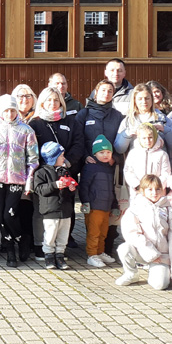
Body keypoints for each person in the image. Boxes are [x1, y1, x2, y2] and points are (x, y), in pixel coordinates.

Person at [0, 94, 40, 268]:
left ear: (16, 111)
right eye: (6, 110)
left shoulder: (26, 131)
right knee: (1, 216)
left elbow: (33, 158)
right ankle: (10, 251)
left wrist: (29, 180)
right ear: (0, 111)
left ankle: (22, 239)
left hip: (17, 178)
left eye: (12, 110)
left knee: (10, 213)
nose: (9, 113)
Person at [29, 87, 84, 254]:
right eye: (49, 100)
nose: (53, 103)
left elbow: (78, 144)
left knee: (66, 210)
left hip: (66, 171)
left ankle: (61, 247)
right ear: (42, 102)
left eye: (56, 100)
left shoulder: (70, 122)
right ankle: (41, 245)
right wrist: (45, 166)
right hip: (43, 174)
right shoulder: (35, 123)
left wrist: (67, 162)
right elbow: (31, 149)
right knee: (42, 211)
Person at [115, 174, 172, 290]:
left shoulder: (168, 210)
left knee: (160, 285)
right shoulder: (134, 210)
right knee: (124, 248)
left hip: (161, 256)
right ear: (142, 191)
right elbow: (132, 234)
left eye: (157, 189)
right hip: (142, 252)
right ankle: (131, 273)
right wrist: (151, 254)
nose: (154, 192)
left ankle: (158, 271)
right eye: (150, 189)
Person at [33, 142, 77, 270]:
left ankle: (60, 255)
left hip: (65, 210)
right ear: (53, 157)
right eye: (61, 156)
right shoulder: (41, 172)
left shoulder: (65, 171)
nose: (64, 158)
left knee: (63, 235)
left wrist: (72, 188)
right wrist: (55, 185)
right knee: (50, 234)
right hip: (50, 210)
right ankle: (48, 255)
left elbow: (72, 189)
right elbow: (39, 189)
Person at [78, 135, 119, 268]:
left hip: (106, 206)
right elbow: (84, 185)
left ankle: (100, 252)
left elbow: (111, 188)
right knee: (94, 232)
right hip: (94, 206)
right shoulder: (90, 167)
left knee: (103, 232)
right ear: (95, 153)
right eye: (102, 152)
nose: (105, 155)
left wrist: (114, 205)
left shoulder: (109, 168)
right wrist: (85, 202)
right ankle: (92, 254)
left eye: (108, 152)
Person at [113, 83, 172, 155]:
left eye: (147, 98)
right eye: (140, 99)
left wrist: (165, 129)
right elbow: (119, 149)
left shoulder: (162, 119)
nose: (144, 102)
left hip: (159, 162)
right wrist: (127, 134)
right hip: (137, 163)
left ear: (152, 99)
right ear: (134, 100)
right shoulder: (128, 121)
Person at [75, 80, 125, 163]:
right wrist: (85, 156)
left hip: (110, 164)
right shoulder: (84, 114)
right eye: (103, 90)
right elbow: (77, 138)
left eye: (110, 91)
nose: (106, 93)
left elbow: (120, 141)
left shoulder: (117, 116)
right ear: (96, 92)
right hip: (89, 163)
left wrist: (115, 158)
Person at [122, 123, 172, 192]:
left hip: (156, 192)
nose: (147, 141)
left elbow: (166, 173)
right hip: (138, 192)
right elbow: (128, 171)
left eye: (150, 138)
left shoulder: (162, 154)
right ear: (139, 138)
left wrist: (156, 187)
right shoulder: (133, 153)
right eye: (144, 138)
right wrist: (137, 186)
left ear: (154, 137)